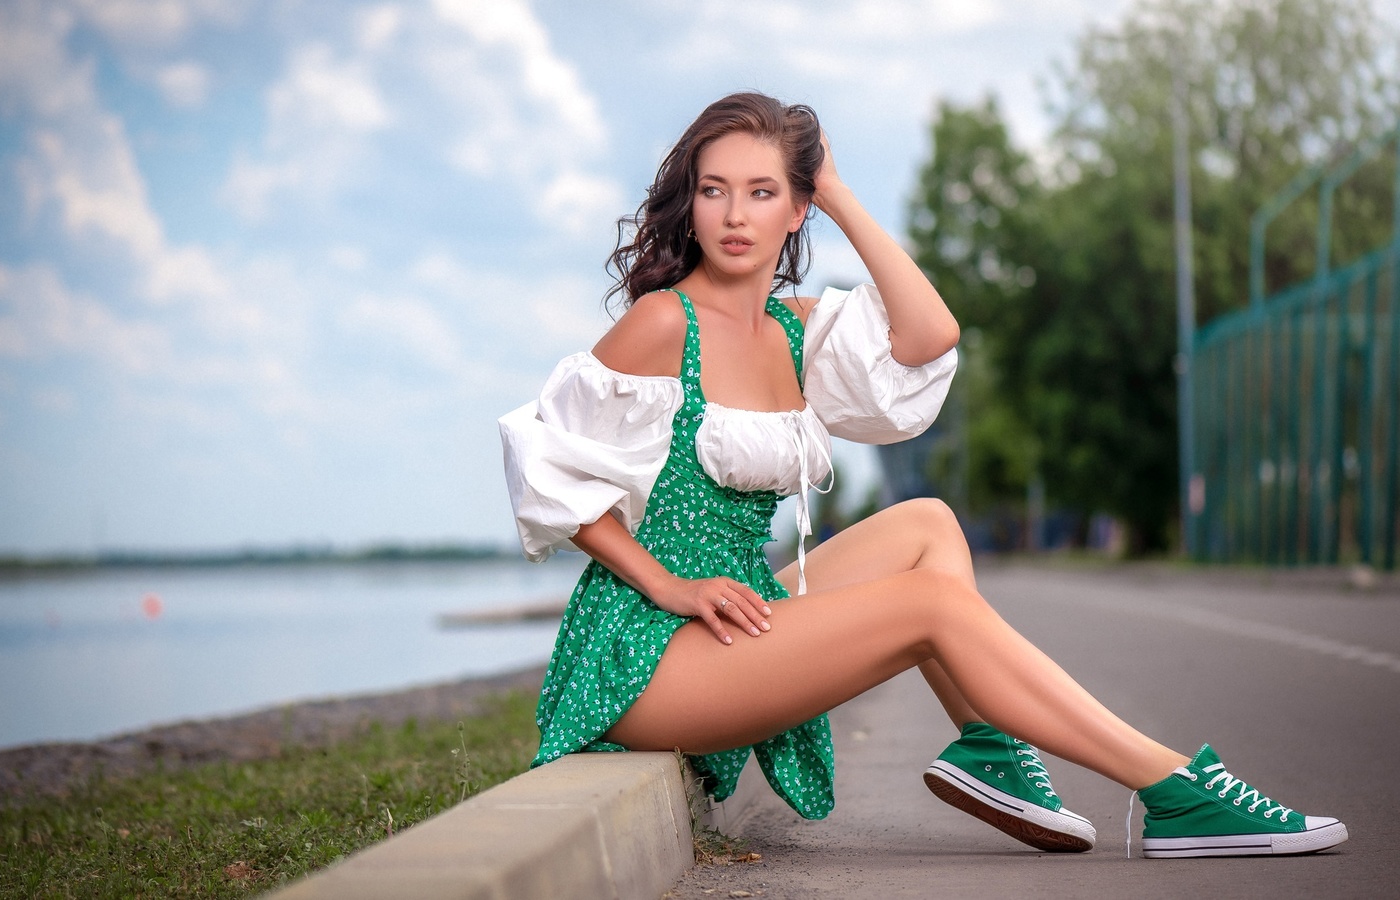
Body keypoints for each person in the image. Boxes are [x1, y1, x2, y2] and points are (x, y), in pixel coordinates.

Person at [498, 92, 1348, 858]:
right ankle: (1172, 787)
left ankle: (990, 748)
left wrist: (840, 193)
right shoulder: (660, 323)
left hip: (738, 614)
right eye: (714, 188)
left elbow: (931, 333)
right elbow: (554, 474)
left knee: (929, 523)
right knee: (932, 607)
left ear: (797, 210)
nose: (734, 214)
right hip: (645, 653)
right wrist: (671, 587)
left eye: (763, 192)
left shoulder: (795, 331)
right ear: (692, 200)